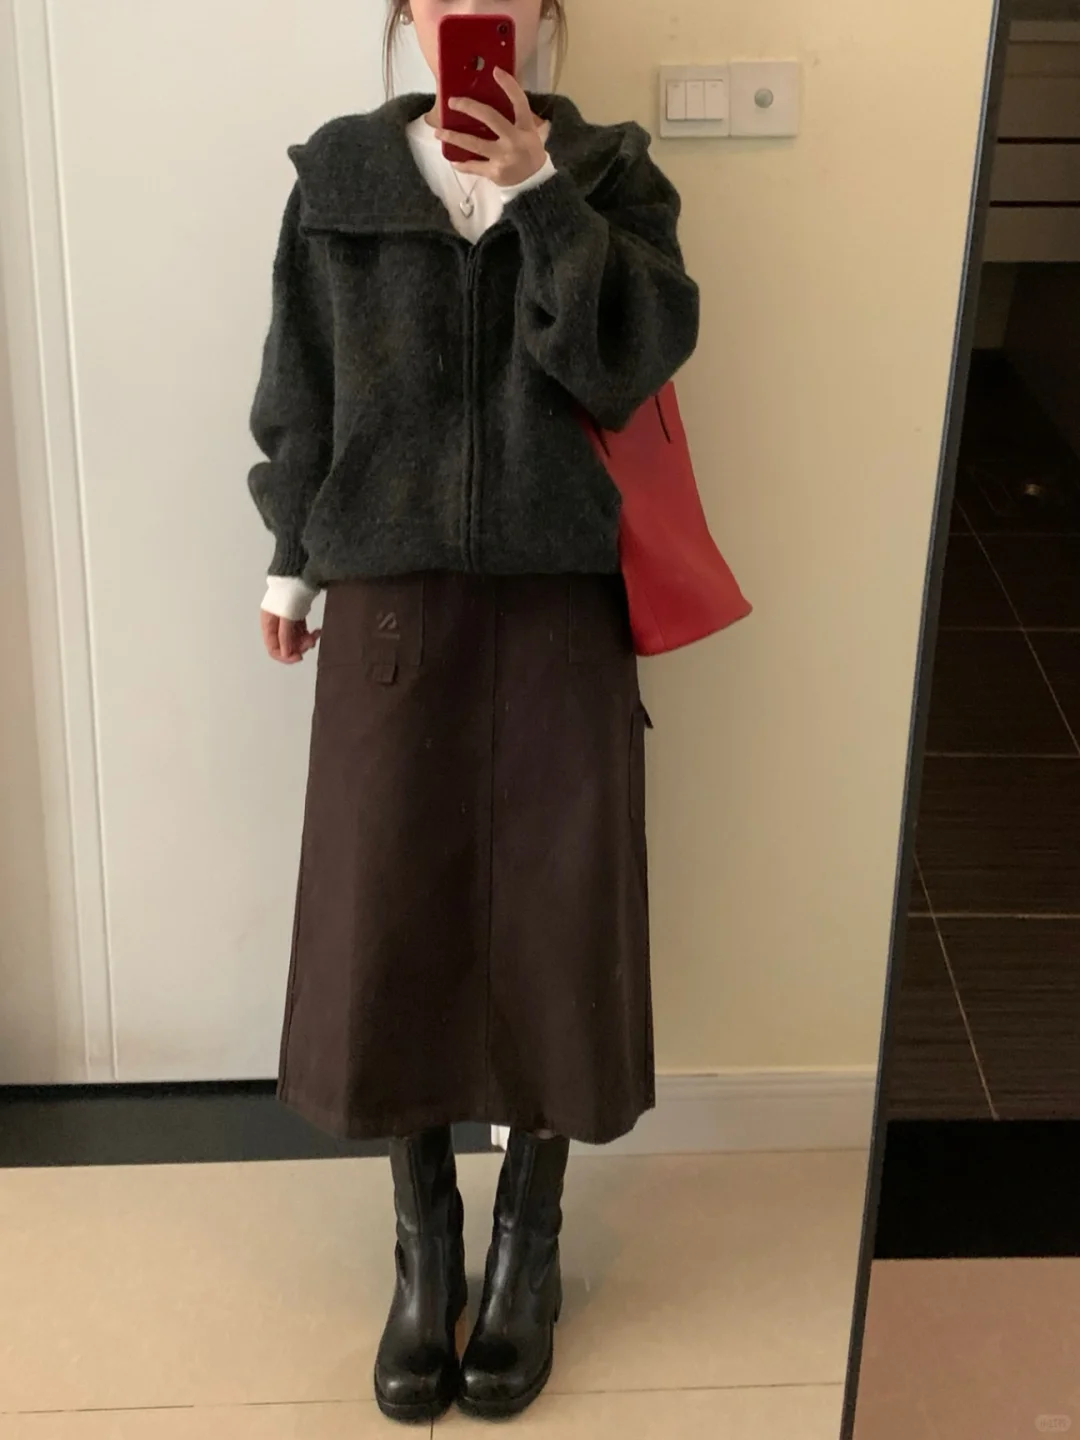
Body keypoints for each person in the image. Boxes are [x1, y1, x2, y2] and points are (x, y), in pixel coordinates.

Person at [247, 0, 699, 1424]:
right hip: (388, 592)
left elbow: (633, 360)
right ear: (408, 14)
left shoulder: (612, 173)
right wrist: (291, 558)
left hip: (565, 592)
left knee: (560, 912)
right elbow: (300, 388)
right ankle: (424, 1239)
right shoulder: (338, 174)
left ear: (544, 16)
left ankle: (530, 1244)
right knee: (393, 909)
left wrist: (542, 196)